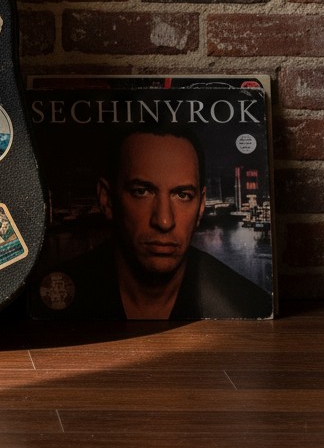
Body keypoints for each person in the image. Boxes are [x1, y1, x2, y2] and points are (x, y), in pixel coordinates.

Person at [33, 125, 273, 320]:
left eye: (182, 195)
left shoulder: (249, 305)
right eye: (142, 192)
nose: (164, 220)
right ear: (107, 200)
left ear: (200, 206)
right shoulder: (46, 301)